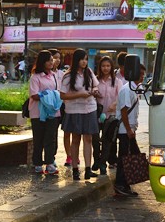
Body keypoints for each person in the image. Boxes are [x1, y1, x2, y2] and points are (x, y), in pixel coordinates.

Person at [60, 48, 100, 181]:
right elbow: (62, 95)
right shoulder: (68, 76)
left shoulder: (89, 72)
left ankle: (88, 169)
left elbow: (95, 86)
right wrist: (80, 94)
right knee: (75, 139)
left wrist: (93, 91)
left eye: (86, 59)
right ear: (76, 60)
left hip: (90, 108)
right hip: (74, 110)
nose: (84, 62)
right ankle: (75, 169)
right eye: (82, 59)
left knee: (88, 138)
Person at [113, 63, 145, 196]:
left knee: (128, 157)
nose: (143, 77)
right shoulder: (127, 90)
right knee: (124, 158)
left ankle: (125, 184)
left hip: (130, 129)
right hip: (124, 129)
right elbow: (124, 111)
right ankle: (120, 184)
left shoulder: (136, 88)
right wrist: (128, 129)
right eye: (141, 74)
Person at [28, 50, 62, 175]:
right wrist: (48, 95)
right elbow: (34, 95)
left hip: (53, 112)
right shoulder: (35, 77)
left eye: (52, 60)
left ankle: (49, 163)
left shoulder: (53, 75)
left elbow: (57, 91)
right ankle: (37, 164)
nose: (51, 62)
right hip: (38, 113)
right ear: (43, 62)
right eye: (49, 60)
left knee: (50, 139)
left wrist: (51, 96)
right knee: (38, 139)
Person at [92, 56, 123, 175]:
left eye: (108, 66)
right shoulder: (95, 80)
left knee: (107, 140)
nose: (105, 68)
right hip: (96, 114)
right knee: (94, 139)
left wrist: (114, 105)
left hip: (111, 116)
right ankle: (96, 160)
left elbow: (120, 98)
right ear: (100, 67)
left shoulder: (117, 81)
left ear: (111, 67)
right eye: (103, 66)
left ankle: (103, 164)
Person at [49, 49, 66, 164]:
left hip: (60, 105)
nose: (57, 60)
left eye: (59, 58)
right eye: (55, 57)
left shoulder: (62, 74)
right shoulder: (45, 74)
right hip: (48, 106)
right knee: (49, 133)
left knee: (55, 132)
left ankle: (52, 157)